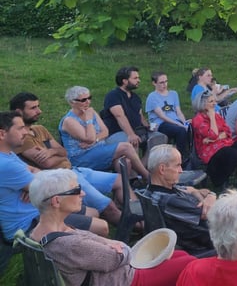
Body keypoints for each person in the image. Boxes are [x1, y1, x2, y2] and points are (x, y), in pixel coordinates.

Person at [29, 169, 194, 286]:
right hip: (125, 280)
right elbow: (116, 258)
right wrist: (119, 247)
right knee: (189, 263)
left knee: (180, 254)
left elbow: (90, 242)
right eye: (76, 190)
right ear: (56, 201)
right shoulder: (69, 245)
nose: (83, 194)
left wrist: (108, 244)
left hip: (117, 274)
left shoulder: (40, 231)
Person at [10, 92, 126, 226]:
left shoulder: (39, 129)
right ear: (19, 111)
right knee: (107, 205)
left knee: (120, 179)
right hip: (63, 178)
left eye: (38, 106)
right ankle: (138, 227)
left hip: (74, 169)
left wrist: (52, 151)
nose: (39, 111)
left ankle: (134, 212)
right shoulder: (21, 138)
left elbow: (64, 151)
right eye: (33, 108)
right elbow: (47, 163)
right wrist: (58, 155)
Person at [0, 112, 106, 243]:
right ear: (2, 134)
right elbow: (47, 186)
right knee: (102, 227)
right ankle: (86, 256)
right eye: (20, 128)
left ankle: (79, 248)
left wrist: (33, 189)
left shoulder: (7, 153)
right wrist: (36, 188)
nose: (25, 132)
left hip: (40, 210)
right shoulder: (5, 164)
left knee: (94, 212)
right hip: (27, 225)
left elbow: (35, 173)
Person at [59, 86, 150, 180]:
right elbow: (89, 138)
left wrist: (95, 140)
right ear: (72, 102)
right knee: (126, 147)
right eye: (83, 100)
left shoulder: (91, 111)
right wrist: (89, 120)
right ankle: (147, 177)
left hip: (99, 149)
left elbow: (105, 131)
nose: (88, 102)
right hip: (81, 158)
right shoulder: (69, 121)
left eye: (89, 98)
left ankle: (128, 188)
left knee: (124, 162)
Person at [191, 91, 237, 191]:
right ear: (203, 104)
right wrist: (212, 118)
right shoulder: (198, 119)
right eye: (211, 101)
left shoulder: (217, 116)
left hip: (226, 143)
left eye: (214, 101)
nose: (215, 104)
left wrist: (215, 138)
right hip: (211, 151)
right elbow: (213, 134)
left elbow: (227, 131)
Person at [101, 66, 150, 148]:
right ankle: (131, 160)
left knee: (157, 139)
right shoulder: (113, 95)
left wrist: (148, 127)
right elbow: (120, 116)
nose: (138, 80)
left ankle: (144, 161)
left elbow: (140, 115)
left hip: (136, 131)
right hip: (116, 133)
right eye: (135, 78)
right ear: (125, 81)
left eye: (138, 78)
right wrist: (131, 134)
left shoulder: (136, 97)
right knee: (133, 141)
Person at [145, 71, 189, 159]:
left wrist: (185, 123)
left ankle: (192, 155)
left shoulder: (173, 94)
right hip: (160, 124)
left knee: (191, 128)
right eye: (161, 82)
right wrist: (178, 124)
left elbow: (178, 112)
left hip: (175, 121)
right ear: (154, 83)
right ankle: (181, 158)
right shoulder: (152, 97)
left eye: (166, 81)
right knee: (180, 131)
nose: (165, 84)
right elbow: (162, 116)